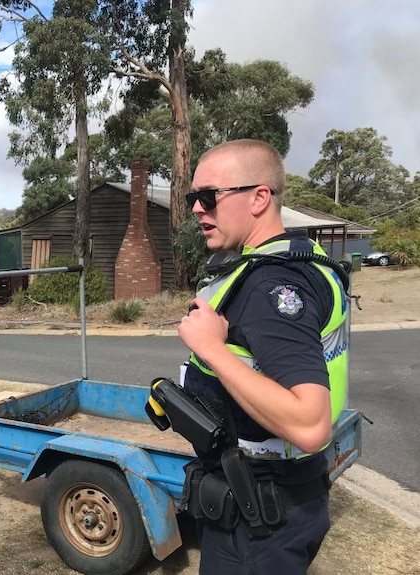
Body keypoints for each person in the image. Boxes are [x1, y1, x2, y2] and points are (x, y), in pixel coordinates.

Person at [177, 139, 349, 574]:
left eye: (209, 196)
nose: (197, 209)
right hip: (288, 500)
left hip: (258, 523)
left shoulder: (271, 288)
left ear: (259, 198)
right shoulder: (306, 260)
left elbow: (310, 424)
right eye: (192, 198)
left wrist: (211, 348)